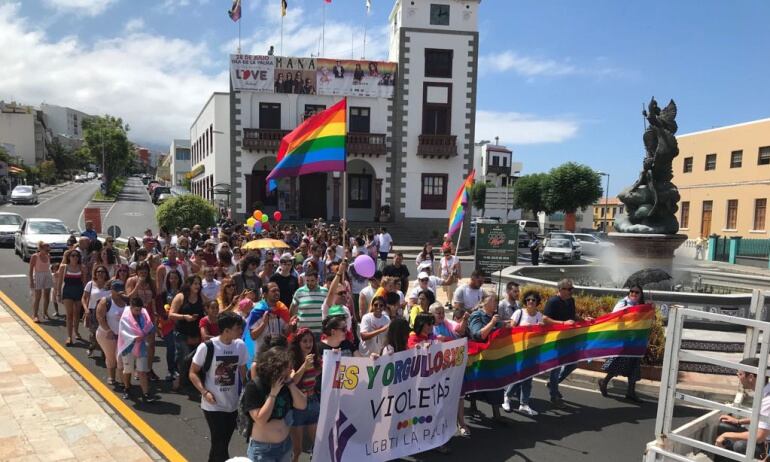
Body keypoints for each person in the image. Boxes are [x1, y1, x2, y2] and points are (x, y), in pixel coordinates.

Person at [189, 311, 248, 462]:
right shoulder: (207, 347)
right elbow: (193, 372)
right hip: (213, 405)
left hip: (232, 405)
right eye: (237, 328)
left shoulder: (240, 346)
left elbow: (243, 373)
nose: (241, 331)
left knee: (222, 444)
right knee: (219, 443)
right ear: (226, 330)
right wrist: (204, 392)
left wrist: (247, 393)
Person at [243, 346, 307, 462]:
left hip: (285, 446)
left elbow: (302, 405)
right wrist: (273, 394)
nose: (291, 370)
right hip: (263, 451)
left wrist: (291, 384)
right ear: (276, 368)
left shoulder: (285, 383)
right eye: (287, 367)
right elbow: (260, 419)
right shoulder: (254, 386)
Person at [544, 278, 594, 408]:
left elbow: (572, 316)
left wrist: (584, 320)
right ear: (561, 289)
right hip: (556, 339)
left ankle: (552, 384)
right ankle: (554, 396)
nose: (572, 291)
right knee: (555, 369)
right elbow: (545, 320)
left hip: (570, 338)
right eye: (569, 289)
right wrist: (563, 323)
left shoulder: (571, 300)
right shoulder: (553, 302)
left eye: (572, 288)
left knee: (572, 365)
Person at [502, 290, 551, 416]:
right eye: (528, 299)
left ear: (537, 303)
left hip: (533, 350)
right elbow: (512, 328)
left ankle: (524, 404)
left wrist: (540, 328)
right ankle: (507, 396)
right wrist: (525, 328)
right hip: (520, 350)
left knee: (528, 378)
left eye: (533, 300)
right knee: (519, 376)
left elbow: (544, 334)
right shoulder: (519, 312)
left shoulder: (539, 316)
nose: (530, 302)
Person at [713, 357, 769, 461]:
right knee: (723, 426)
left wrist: (726, 435)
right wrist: (738, 421)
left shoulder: (768, 399)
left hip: (766, 447)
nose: (738, 376)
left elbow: (759, 436)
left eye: (740, 374)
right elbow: (763, 419)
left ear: (751, 377)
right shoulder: (764, 391)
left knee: (740, 446)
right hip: (763, 439)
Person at [598, 285, 646, 402]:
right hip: (623, 340)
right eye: (632, 291)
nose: (634, 294)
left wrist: (649, 309)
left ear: (641, 294)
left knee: (634, 365)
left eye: (637, 292)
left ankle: (630, 392)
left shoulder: (641, 306)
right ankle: (604, 382)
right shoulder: (623, 303)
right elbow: (614, 317)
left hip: (636, 340)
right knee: (618, 362)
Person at [468, 292, 507, 423]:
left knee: (496, 384)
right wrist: (492, 323)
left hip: (494, 356)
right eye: (492, 300)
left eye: (496, 300)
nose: (495, 303)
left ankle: (497, 414)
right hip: (479, 356)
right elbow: (478, 335)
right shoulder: (477, 316)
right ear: (484, 302)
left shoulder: (495, 317)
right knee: (477, 384)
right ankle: (473, 406)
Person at [288, 328, 321, 462]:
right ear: (298, 343)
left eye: (311, 341)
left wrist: (333, 357)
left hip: (313, 401)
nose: (308, 344)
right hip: (297, 406)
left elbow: (326, 368)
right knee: (297, 449)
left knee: (317, 444)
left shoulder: (316, 359)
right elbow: (292, 381)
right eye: (304, 341)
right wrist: (304, 366)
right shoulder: (292, 360)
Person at [117, 297, 158, 402]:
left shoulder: (144, 315)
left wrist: (146, 335)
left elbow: (150, 328)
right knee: (128, 370)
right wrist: (137, 336)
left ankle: (146, 393)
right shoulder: (125, 318)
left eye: (140, 310)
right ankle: (127, 388)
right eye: (136, 310)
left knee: (142, 371)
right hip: (128, 347)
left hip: (141, 347)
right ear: (131, 307)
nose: (138, 312)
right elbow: (124, 333)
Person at [169, 275, 206, 391]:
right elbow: (171, 314)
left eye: (199, 284)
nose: (197, 286)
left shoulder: (200, 297)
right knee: (183, 357)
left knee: (194, 358)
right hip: (182, 332)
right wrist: (185, 317)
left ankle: (190, 379)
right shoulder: (180, 297)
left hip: (196, 333)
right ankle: (178, 379)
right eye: (195, 283)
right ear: (189, 284)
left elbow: (211, 306)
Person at [95, 280, 128, 386]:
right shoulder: (106, 301)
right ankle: (111, 377)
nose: (119, 293)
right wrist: (108, 330)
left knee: (121, 359)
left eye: (121, 290)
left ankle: (124, 381)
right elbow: (100, 317)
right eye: (117, 290)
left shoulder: (126, 301)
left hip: (122, 335)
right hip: (106, 334)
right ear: (112, 290)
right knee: (111, 357)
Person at [246, 282, 291, 358]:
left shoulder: (282, 309)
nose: (277, 293)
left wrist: (291, 326)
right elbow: (253, 336)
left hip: (278, 353)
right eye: (273, 291)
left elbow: (285, 334)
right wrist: (263, 323)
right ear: (265, 294)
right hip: (262, 354)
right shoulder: (257, 310)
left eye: (278, 290)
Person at [56, 250, 87, 346]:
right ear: (69, 257)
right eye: (73, 255)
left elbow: (84, 282)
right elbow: (60, 281)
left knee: (77, 314)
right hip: (67, 291)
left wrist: (86, 296)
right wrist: (58, 293)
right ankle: (69, 336)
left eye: (77, 256)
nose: (75, 257)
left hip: (78, 291)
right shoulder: (63, 267)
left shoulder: (82, 267)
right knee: (69, 314)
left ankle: (76, 332)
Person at [82, 265, 111, 357]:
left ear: (106, 274)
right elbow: (84, 298)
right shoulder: (90, 284)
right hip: (93, 311)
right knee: (94, 333)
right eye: (98, 272)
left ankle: (104, 351)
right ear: (95, 273)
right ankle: (92, 346)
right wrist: (86, 309)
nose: (100, 274)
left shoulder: (109, 285)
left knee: (105, 331)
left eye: (102, 272)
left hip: (106, 312)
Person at [29, 242, 53, 322]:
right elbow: (31, 269)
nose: (48, 250)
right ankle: (35, 315)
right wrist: (31, 281)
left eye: (48, 249)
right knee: (37, 297)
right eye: (46, 249)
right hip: (38, 276)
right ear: (41, 249)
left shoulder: (48, 256)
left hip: (47, 275)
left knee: (47, 296)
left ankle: (45, 312)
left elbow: (48, 267)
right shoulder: (35, 256)